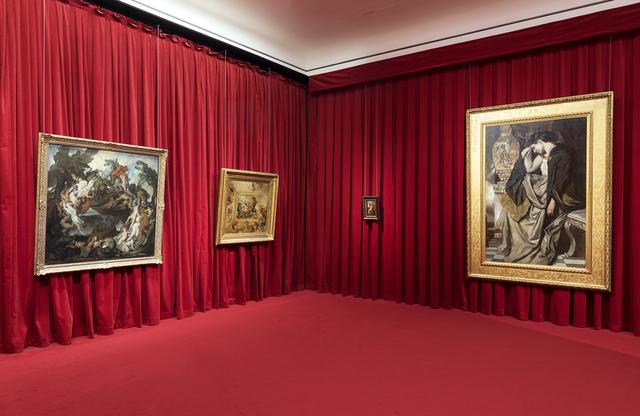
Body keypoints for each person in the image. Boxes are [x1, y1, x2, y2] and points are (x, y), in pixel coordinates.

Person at [497, 131, 585, 265]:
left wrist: (552, 202)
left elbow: (561, 180)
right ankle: (518, 242)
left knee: (524, 189)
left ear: (540, 142)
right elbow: (530, 168)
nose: (534, 150)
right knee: (517, 197)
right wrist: (526, 155)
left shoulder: (563, 153)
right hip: (544, 188)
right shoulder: (544, 155)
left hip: (558, 191)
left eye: (534, 147)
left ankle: (531, 241)